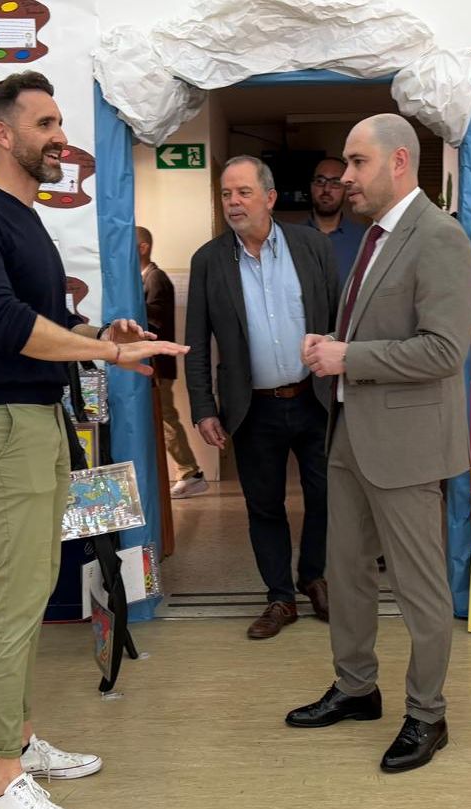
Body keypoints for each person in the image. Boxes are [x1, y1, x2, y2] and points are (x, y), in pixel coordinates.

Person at [0, 71, 186, 809]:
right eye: (44, 122)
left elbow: (46, 319)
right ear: (2, 134)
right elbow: (6, 325)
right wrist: (97, 353)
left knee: (32, 589)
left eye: (60, 121)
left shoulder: (26, 219)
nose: (58, 135)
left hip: (36, 422)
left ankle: (19, 735)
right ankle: (2, 779)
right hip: (0, 427)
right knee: (16, 598)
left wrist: (103, 333)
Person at [290, 113, 471, 774]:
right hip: (351, 436)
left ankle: (427, 714)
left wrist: (350, 356)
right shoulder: (372, 240)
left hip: (409, 447)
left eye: (358, 162)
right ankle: (355, 687)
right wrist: (330, 352)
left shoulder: (439, 237)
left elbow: (445, 350)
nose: (344, 176)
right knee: (346, 573)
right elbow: (370, 336)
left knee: (422, 592)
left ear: (399, 163)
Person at [185, 156, 341, 638]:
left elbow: (339, 321)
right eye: (226, 194)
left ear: (270, 198)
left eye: (243, 192)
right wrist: (204, 408)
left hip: (314, 398)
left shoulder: (311, 246)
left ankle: (313, 576)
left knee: (326, 496)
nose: (233, 202)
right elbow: (195, 340)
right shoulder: (208, 261)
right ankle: (278, 597)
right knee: (264, 506)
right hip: (253, 408)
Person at [138, 226, 206, 498]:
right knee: (162, 420)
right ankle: (187, 472)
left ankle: (190, 472)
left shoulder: (156, 279)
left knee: (166, 420)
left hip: (159, 364)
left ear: (143, 248)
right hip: (152, 363)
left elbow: (154, 319)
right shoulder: (144, 278)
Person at [304, 157, 365, 279]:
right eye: (320, 181)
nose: (326, 189)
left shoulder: (364, 239)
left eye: (336, 183)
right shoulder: (290, 238)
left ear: (346, 190)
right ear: (311, 186)